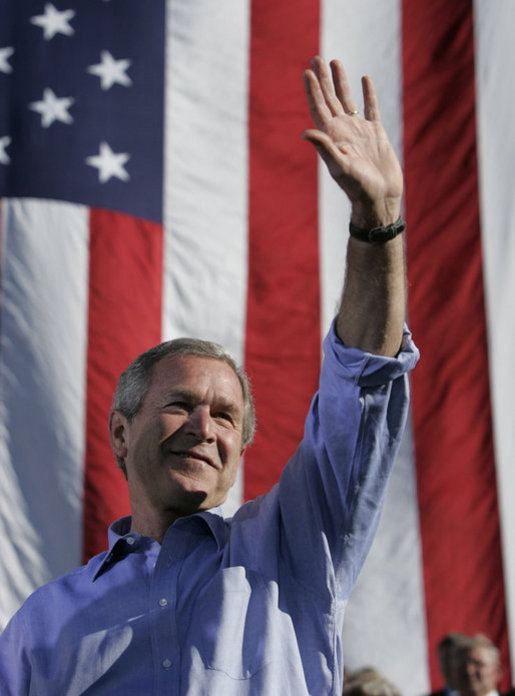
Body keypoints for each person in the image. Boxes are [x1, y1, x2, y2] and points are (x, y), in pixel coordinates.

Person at [0, 56, 418, 694]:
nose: (203, 427)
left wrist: (378, 221)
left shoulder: (298, 549)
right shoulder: (43, 624)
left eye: (226, 416)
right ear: (120, 432)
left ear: (239, 450)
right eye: (181, 404)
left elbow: (361, 384)